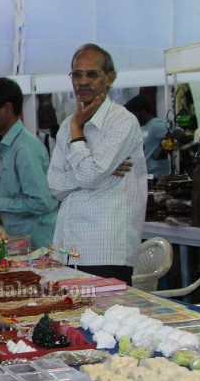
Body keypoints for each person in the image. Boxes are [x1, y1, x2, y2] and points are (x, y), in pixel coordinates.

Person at [47, 43, 147, 284]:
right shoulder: (66, 125)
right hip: (67, 248)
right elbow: (55, 185)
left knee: (107, 321)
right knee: (71, 320)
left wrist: (77, 133)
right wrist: (102, 172)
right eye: (77, 74)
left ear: (109, 78)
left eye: (92, 74)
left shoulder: (122, 121)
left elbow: (90, 175)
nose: (83, 81)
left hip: (106, 249)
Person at [0, 77, 59, 248]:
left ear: (7, 108)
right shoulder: (7, 145)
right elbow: (19, 196)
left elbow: (41, 202)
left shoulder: (24, 149)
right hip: (22, 244)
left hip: (39, 247)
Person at [125, 95, 170, 181]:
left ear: (143, 112)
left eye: (134, 114)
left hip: (156, 175)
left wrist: (162, 150)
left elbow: (178, 133)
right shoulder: (141, 127)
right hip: (144, 175)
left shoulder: (156, 125)